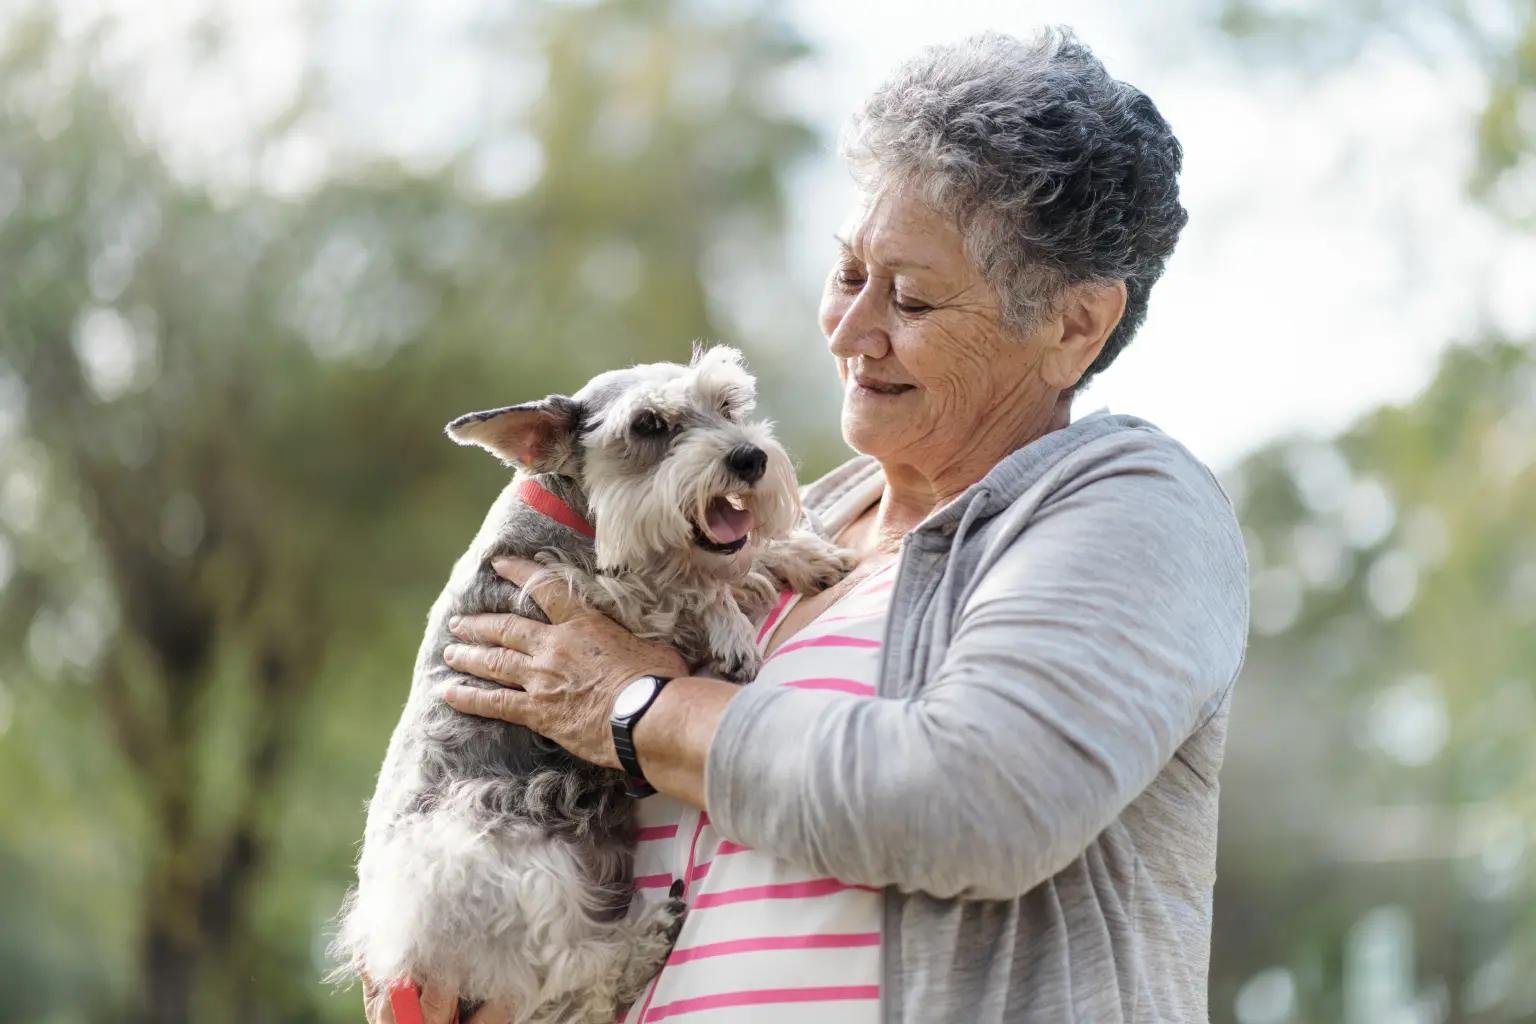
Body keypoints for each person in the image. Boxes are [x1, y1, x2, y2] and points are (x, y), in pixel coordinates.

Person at [371, 25, 1249, 1024]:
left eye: (909, 297)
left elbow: (977, 804)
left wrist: (636, 707)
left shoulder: (1129, 505)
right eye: (846, 273)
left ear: (1074, 324)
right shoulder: (757, 535)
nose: (848, 329)